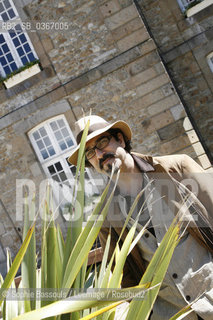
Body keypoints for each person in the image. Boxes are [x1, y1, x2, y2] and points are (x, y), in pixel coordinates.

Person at [68, 115, 213, 320]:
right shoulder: (105, 215)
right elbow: (124, 275)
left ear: (120, 138)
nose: (100, 154)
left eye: (102, 142)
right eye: (90, 152)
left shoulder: (177, 168)